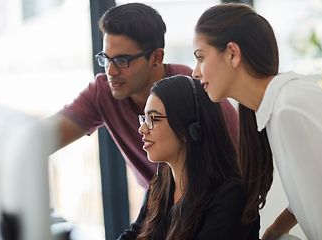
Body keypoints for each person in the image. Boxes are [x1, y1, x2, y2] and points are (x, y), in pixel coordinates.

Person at [192, 2, 322, 240]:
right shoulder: (280, 105)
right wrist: (276, 230)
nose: (195, 72)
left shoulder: (289, 110)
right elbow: (313, 190)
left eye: (200, 57)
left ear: (233, 54)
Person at [46, 3, 239, 190]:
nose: (111, 71)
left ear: (156, 57)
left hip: (210, 202)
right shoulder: (103, 91)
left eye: (122, 60)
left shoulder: (194, 89)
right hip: (158, 205)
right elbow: (44, 138)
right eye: (106, 59)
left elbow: (241, 156)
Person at [117, 75, 260, 240]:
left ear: (189, 129)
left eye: (153, 119)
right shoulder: (162, 182)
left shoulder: (231, 195)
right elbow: (134, 234)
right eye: (144, 118)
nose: (142, 129)